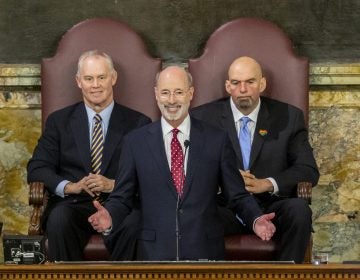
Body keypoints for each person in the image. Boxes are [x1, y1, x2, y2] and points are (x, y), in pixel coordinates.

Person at [88, 65, 276, 261]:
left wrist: (256, 219)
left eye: (178, 92)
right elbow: (122, 197)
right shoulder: (135, 142)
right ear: (156, 94)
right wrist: (109, 217)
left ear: (190, 93)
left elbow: (236, 194)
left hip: (204, 251)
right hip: (154, 253)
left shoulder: (216, 140)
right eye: (165, 93)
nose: (171, 100)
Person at [190, 56, 320, 263]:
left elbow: (308, 170)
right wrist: (226, 179)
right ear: (227, 86)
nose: (243, 89)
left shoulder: (288, 117)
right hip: (225, 207)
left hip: (271, 205)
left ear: (262, 84)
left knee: (300, 211)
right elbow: (189, 170)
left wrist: (267, 184)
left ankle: (285, 278)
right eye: (236, 83)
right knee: (196, 214)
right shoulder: (202, 118)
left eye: (250, 82)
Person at [27, 50, 151, 261]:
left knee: (136, 223)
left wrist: (114, 185)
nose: (96, 85)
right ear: (78, 81)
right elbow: (37, 168)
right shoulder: (59, 122)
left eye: (101, 77)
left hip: (120, 205)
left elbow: (151, 174)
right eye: (89, 78)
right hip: (74, 205)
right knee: (59, 219)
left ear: (113, 78)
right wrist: (69, 186)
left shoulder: (139, 123)